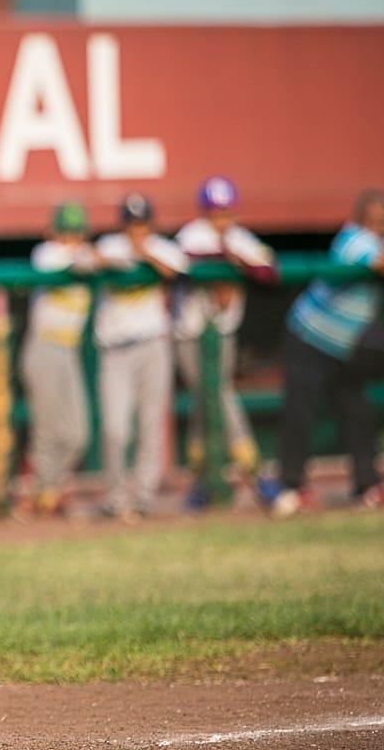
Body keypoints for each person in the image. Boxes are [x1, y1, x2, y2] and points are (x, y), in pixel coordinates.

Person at [271, 190, 384, 518]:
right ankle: (290, 488)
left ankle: (367, 485)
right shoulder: (350, 239)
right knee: (301, 413)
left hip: (347, 345)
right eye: (372, 222)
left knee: (357, 411)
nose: (378, 228)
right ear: (359, 220)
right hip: (309, 336)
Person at [173, 177, 277, 508]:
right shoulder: (191, 234)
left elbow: (267, 271)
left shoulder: (240, 237)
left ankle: (204, 481)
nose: (220, 219)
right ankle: (253, 471)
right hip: (190, 333)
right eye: (214, 212)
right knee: (214, 396)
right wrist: (225, 266)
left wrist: (233, 259)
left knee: (211, 401)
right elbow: (186, 261)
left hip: (223, 333)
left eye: (225, 212)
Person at [94, 193, 189, 521]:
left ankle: (144, 494)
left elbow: (176, 271)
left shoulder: (162, 247)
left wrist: (143, 255)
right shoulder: (109, 245)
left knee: (151, 423)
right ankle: (116, 495)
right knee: (115, 428)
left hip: (152, 344)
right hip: (116, 347)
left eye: (142, 223)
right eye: (131, 223)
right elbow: (87, 259)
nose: (136, 230)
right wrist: (118, 259)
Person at [17, 202, 96, 519]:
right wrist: (92, 256)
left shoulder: (86, 256)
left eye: (76, 234)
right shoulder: (46, 253)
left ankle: (46, 491)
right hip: (43, 347)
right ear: (52, 232)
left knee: (78, 434)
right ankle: (31, 498)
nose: (71, 240)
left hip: (69, 350)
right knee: (47, 433)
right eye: (65, 233)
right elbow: (67, 261)